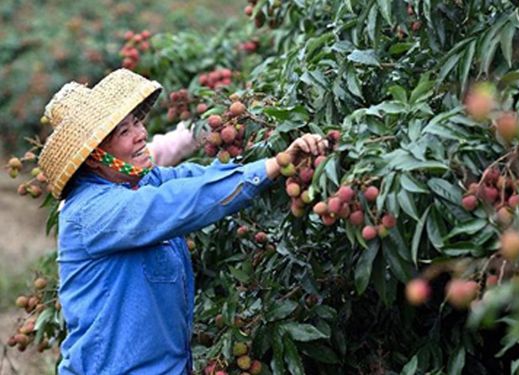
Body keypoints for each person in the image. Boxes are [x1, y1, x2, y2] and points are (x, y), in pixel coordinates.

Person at [37, 69, 327, 374]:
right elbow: (178, 202)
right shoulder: (92, 212)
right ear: (95, 156)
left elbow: (197, 178)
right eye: (124, 132)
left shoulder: (142, 181)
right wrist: (268, 168)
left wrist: (274, 160)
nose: (141, 134)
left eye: (137, 122)